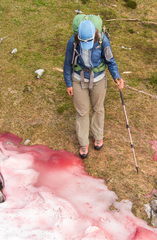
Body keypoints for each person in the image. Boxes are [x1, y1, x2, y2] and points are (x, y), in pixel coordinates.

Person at [63, 19, 124, 159]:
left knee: (98, 108)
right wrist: (69, 83)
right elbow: (67, 64)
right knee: (82, 112)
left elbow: (110, 61)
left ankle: (98, 136)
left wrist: (117, 77)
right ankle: (83, 143)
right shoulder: (73, 41)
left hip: (99, 79)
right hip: (78, 79)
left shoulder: (103, 40)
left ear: (95, 35)